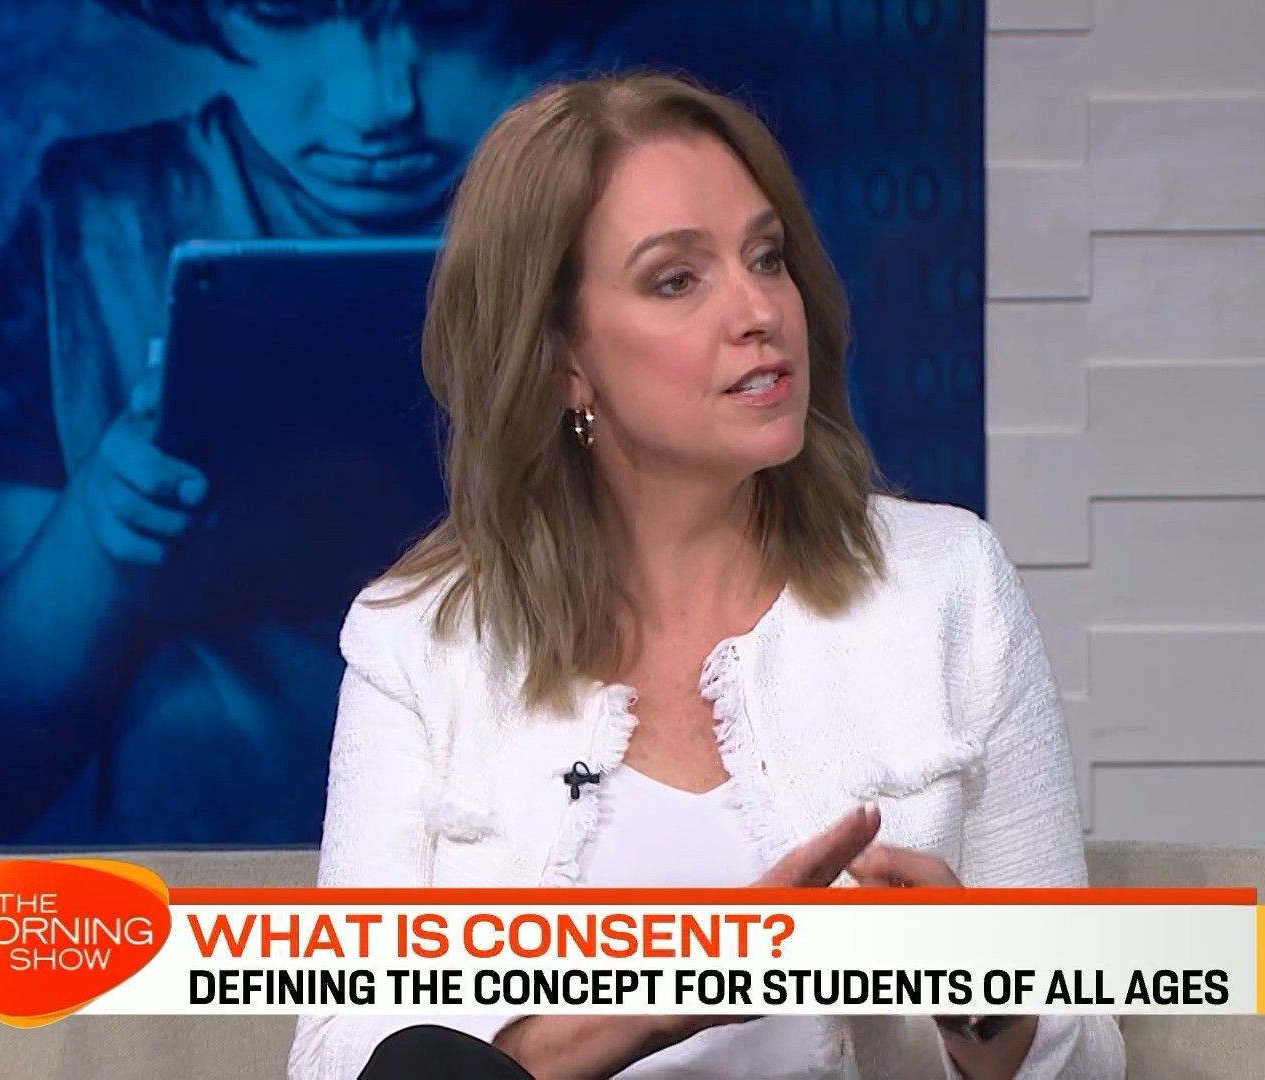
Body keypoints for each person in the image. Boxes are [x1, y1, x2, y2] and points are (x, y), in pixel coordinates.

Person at [289, 73, 1125, 1078]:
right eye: (677, 280)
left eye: (766, 258)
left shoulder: (949, 585)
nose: (759, 309)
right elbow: (343, 1056)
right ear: (561, 360)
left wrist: (991, 1008)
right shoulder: (418, 642)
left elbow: (1089, 1059)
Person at [0, 0, 627, 842]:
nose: (376, 105)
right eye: (290, 17)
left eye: (447, 18)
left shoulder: (632, 216)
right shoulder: (98, 225)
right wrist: (104, 528)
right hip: (205, 885)